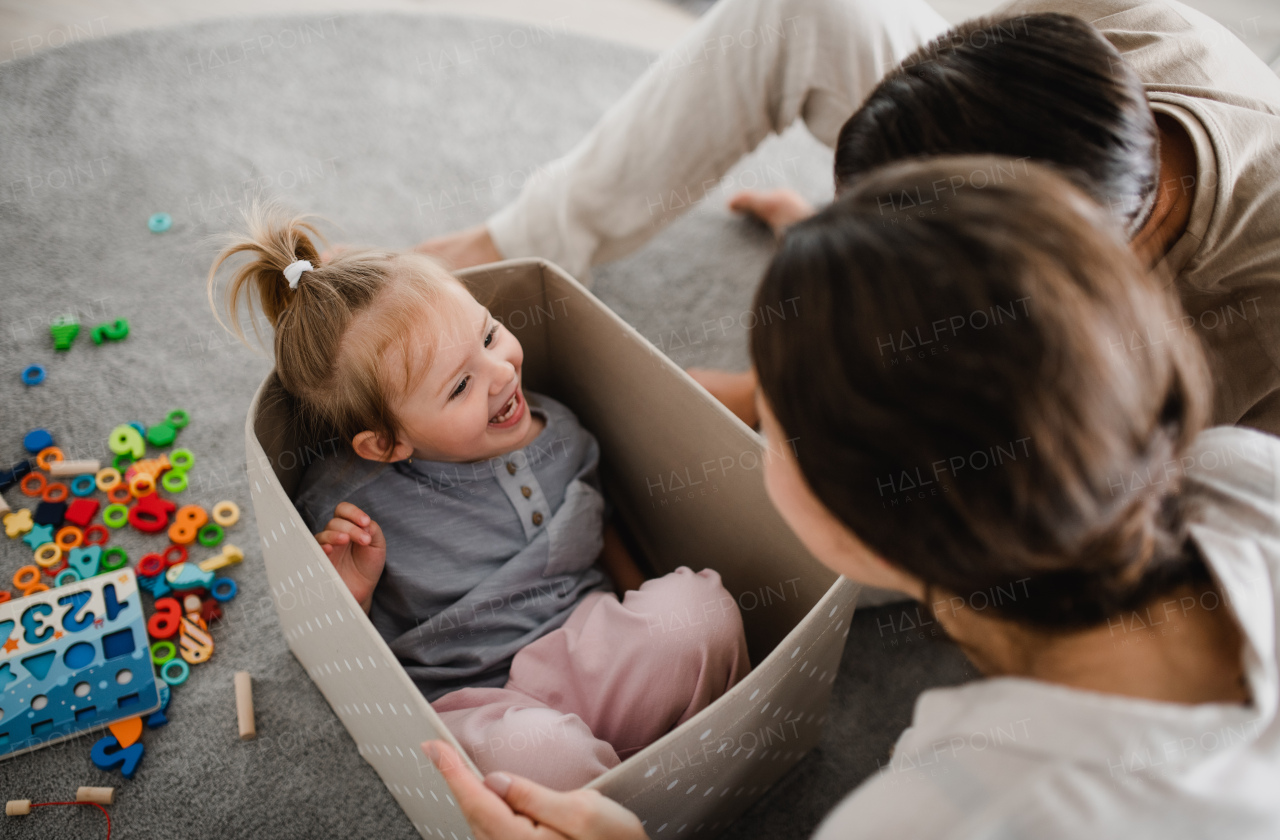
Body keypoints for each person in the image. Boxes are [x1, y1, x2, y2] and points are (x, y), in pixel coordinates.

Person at [421, 156, 1280, 838]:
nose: (754, 427)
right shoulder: (1241, 469)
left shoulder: (935, 812)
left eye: (773, 417)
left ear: (859, 530)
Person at [417, 0, 1280, 436]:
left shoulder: (1246, 314)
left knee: (845, 509)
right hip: (1040, 190)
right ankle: (519, 242)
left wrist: (769, 398)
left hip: (1133, 421)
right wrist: (867, 217)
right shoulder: (1129, 36)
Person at [207, 202, 751, 790]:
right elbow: (343, 647)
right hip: (478, 703)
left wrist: (642, 603)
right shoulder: (350, 507)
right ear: (387, 443)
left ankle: (674, 765)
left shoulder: (561, 432)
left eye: (489, 333)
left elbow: (601, 527)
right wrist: (354, 592)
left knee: (701, 611)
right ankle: (606, 799)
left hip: (585, 646)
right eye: (461, 385)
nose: (501, 372)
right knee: (542, 759)